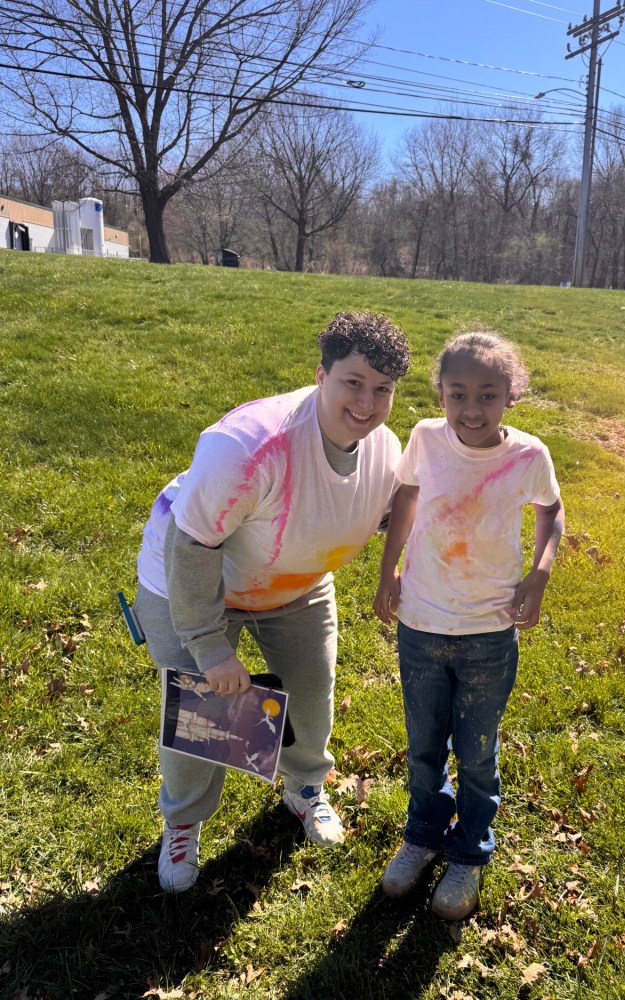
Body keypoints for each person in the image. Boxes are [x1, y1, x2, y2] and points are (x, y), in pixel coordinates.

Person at [133, 311, 410, 892]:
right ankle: (184, 821)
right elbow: (192, 544)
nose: (366, 402)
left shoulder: (385, 450)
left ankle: (305, 785)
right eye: (352, 383)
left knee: (311, 690)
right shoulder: (250, 446)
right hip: (189, 576)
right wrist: (208, 647)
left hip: (296, 585)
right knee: (201, 711)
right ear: (320, 375)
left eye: (382, 389)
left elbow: (387, 514)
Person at [373, 329, 564, 920]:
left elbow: (551, 510)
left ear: (512, 395)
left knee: (477, 750)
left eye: (487, 395)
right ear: (440, 394)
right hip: (423, 624)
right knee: (424, 744)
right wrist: (389, 573)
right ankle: (424, 834)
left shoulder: (528, 455)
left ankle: (470, 850)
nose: (471, 409)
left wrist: (539, 572)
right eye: (458, 394)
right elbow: (404, 500)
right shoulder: (426, 438)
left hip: (488, 630)